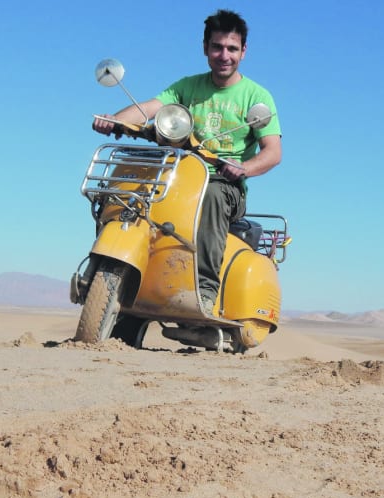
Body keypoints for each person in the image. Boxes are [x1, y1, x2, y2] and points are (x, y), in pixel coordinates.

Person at [92, 9, 282, 316]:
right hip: (177, 173)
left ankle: (205, 288)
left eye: (232, 48)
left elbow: (273, 151)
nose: (224, 55)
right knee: (129, 183)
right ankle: (114, 269)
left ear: (243, 52)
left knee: (212, 195)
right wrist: (113, 119)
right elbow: (152, 107)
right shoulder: (187, 87)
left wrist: (243, 168)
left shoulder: (256, 97)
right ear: (205, 47)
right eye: (217, 47)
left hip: (224, 184)